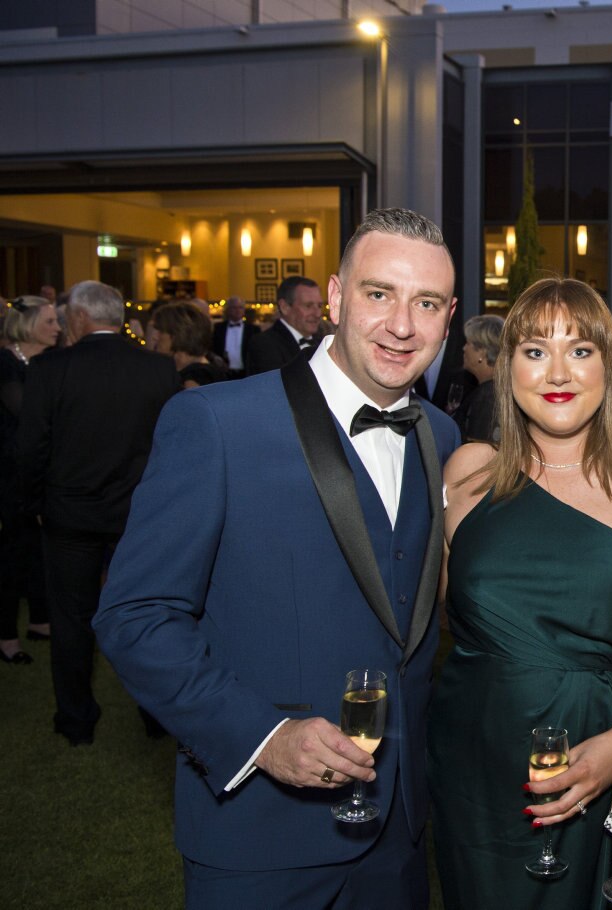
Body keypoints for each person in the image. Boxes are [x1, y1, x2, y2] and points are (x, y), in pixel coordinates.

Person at [92, 208, 460, 908]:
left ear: (449, 316)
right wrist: (262, 737)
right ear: (334, 295)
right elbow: (136, 615)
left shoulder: (438, 434)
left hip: (400, 834)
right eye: (379, 294)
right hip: (262, 838)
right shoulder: (217, 424)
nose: (402, 325)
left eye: (427, 303)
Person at [429, 278, 612, 909]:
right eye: (535, 350)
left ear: (610, 365)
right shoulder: (467, 471)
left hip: (593, 750)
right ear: (507, 367)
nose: (558, 372)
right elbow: (445, 615)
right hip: (472, 753)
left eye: (580, 350)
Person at [16, 281, 180, 744]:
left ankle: (75, 720)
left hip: (69, 516)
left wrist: (34, 506)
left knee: (71, 621)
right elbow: (170, 446)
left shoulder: (50, 368)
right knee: (148, 617)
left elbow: (31, 447)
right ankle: (157, 718)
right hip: (138, 515)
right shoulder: (157, 368)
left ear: (81, 319)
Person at [1, 295, 60, 664]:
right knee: (12, 554)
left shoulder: (51, 361)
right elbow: (28, 417)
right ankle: (6, 635)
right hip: (10, 475)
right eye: (50, 321)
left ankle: (40, 620)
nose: (58, 328)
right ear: (27, 326)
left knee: (40, 550)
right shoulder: (6, 364)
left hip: (41, 472)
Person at [245, 276, 324, 374]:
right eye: (308, 306)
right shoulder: (264, 344)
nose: (317, 314)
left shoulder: (323, 343)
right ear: (285, 307)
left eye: (320, 306)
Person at [151, 301, 228, 389]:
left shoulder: (195, 379)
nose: (155, 337)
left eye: (160, 331)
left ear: (178, 334)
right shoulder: (178, 371)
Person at [452, 313, 503, 443]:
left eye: (467, 343)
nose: (464, 348)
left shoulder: (488, 396)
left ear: (482, 352)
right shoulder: (494, 389)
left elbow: (478, 449)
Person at [211, 296, 259, 377]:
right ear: (228, 310)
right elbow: (211, 348)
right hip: (223, 373)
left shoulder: (253, 329)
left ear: (244, 310)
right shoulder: (218, 328)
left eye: (240, 308)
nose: (237, 311)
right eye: (234, 308)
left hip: (246, 373)